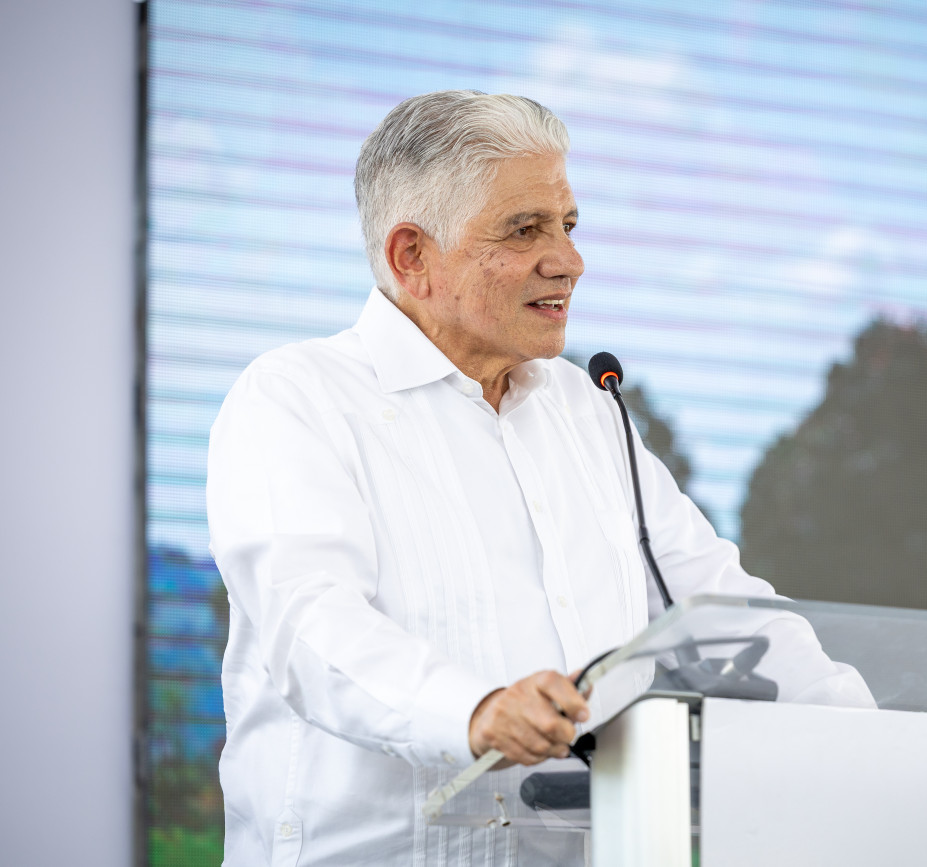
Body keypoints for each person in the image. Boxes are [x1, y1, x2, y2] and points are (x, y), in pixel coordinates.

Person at [206, 90, 782, 866]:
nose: (569, 260)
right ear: (412, 256)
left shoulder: (588, 409)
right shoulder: (296, 397)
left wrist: (878, 720)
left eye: (568, 225)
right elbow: (310, 625)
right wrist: (475, 711)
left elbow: (720, 606)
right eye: (525, 229)